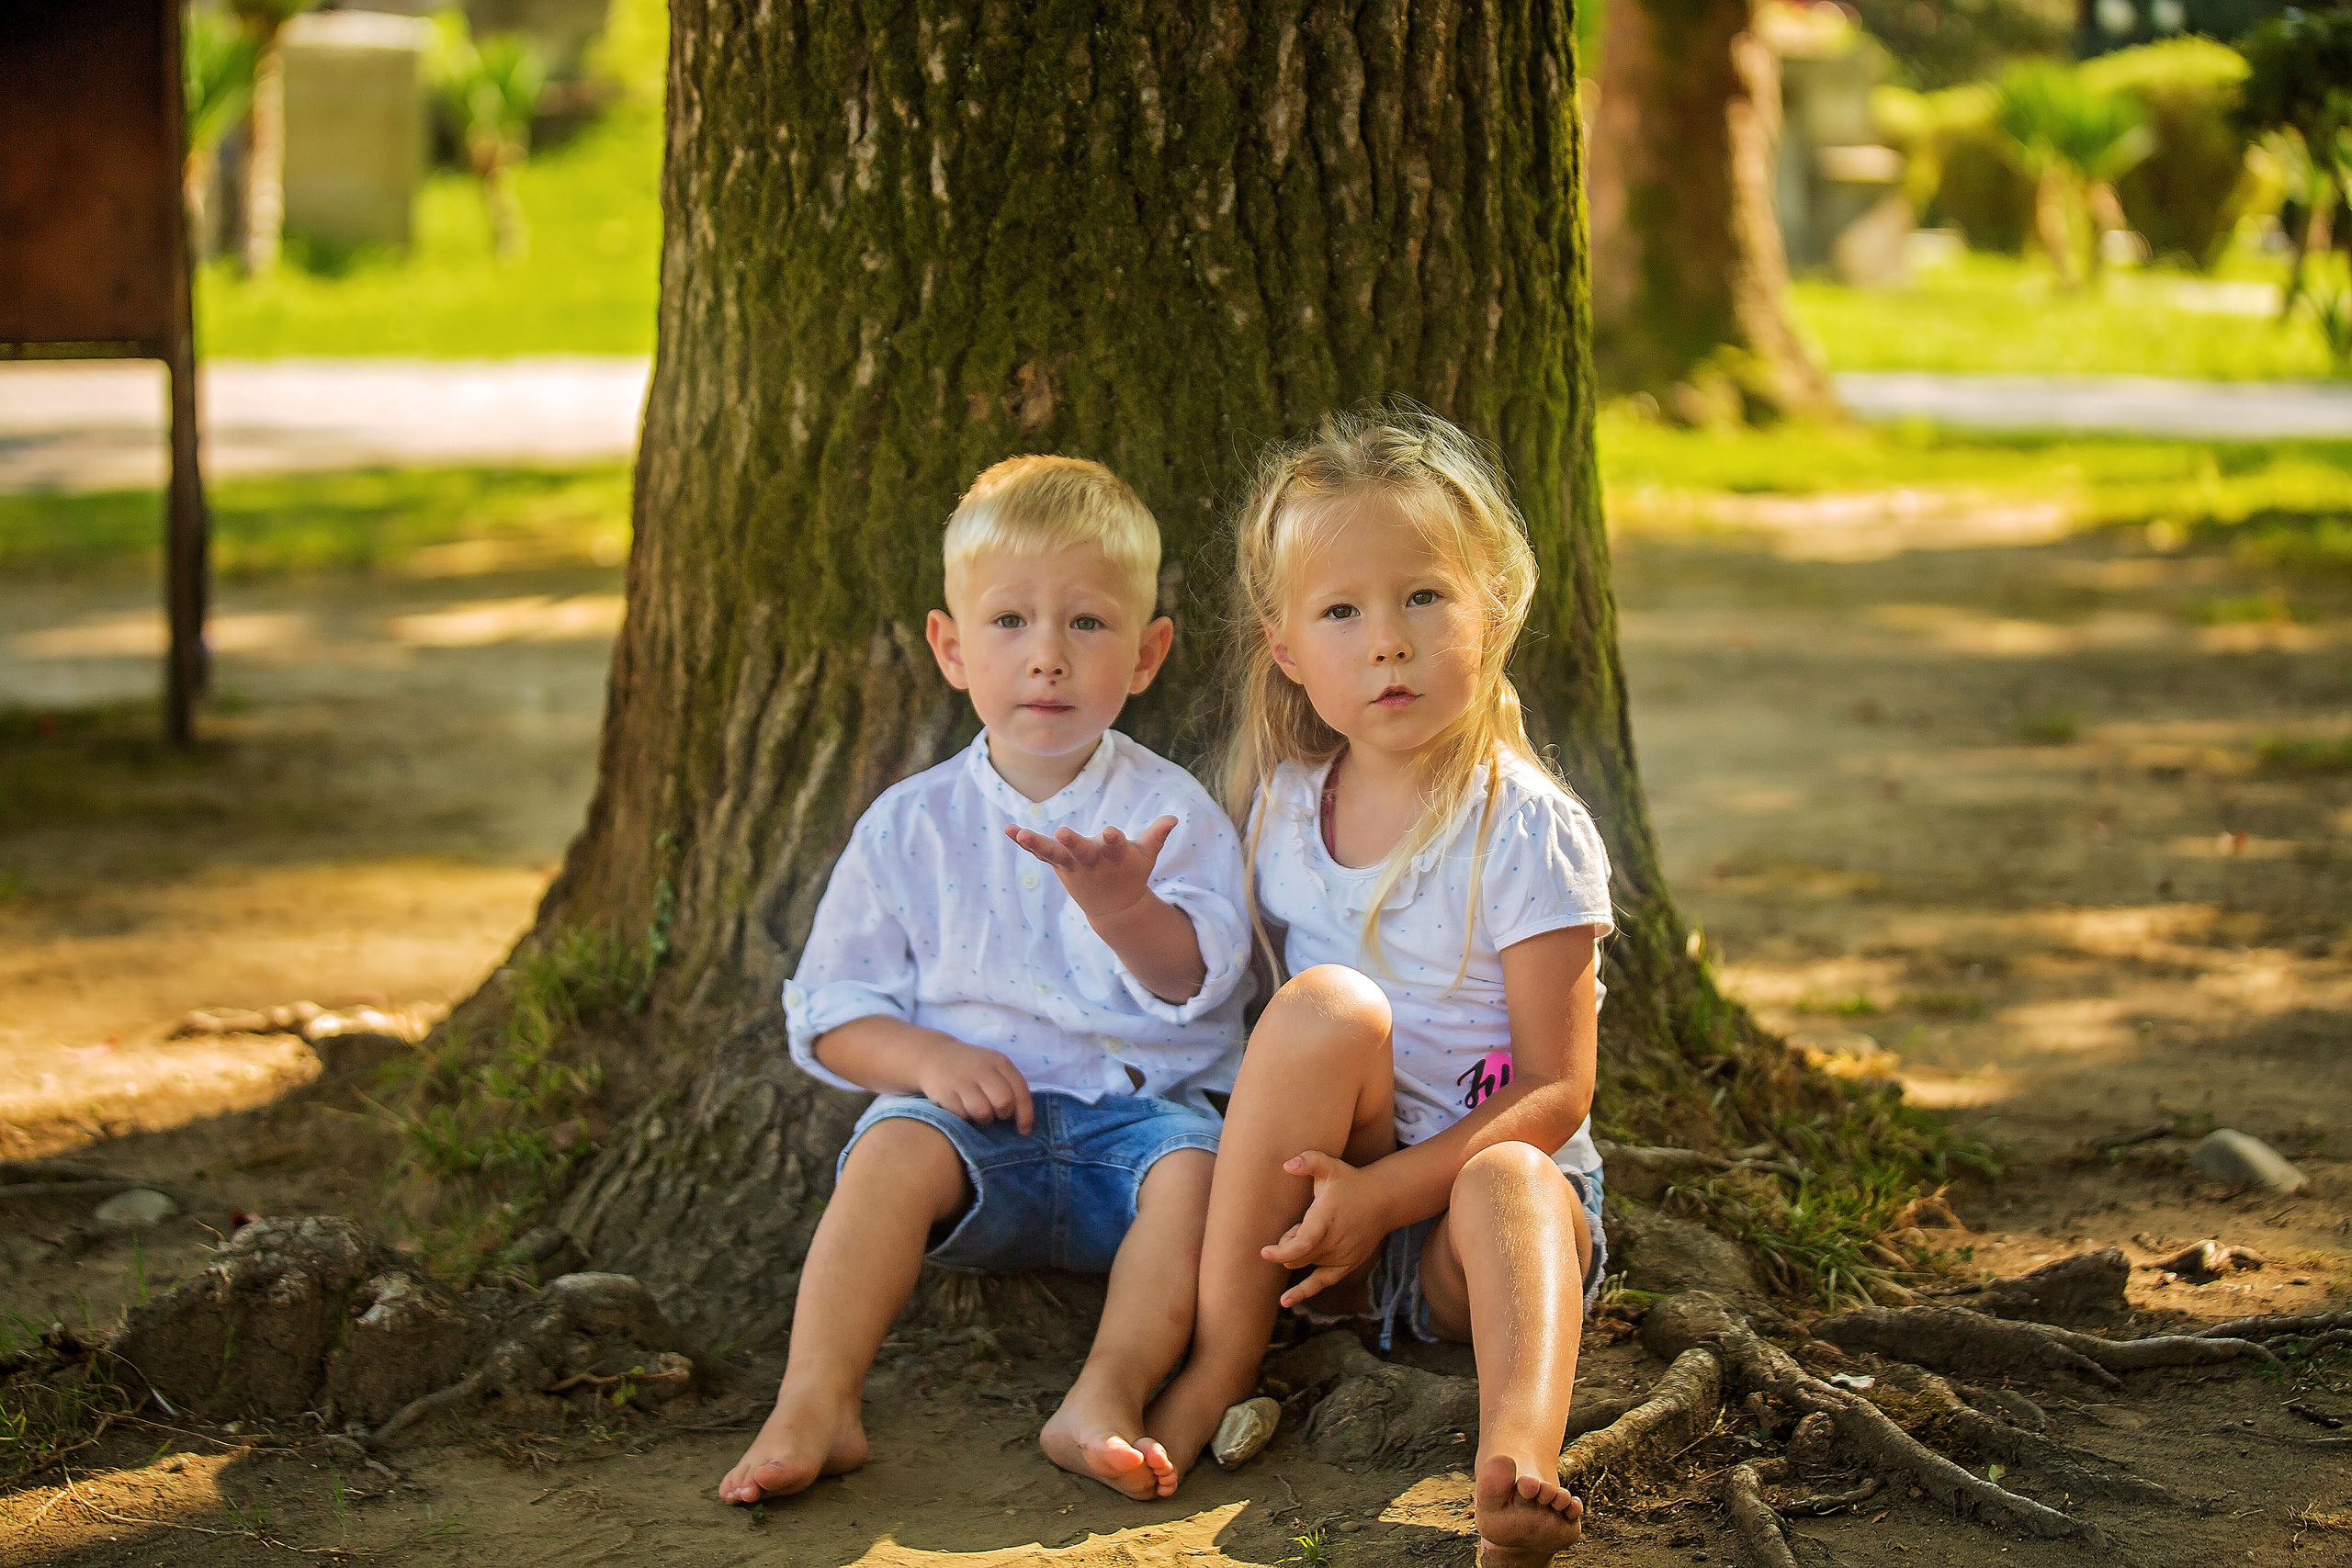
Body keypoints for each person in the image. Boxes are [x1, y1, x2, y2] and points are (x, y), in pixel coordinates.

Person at [718, 456, 1253, 1506]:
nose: (1047, 659)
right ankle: (816, 1402)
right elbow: (830, 1011)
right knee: (886, 1150)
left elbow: (1203, 986)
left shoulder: (1171, 813)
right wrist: (929, 1058)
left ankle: (1105, 1393)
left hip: (1139, 1134)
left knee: (1201, 1180)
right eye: (1009, 623)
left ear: (1147, 655)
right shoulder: (911, 824)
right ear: (951, 649)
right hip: (973, 1140)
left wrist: (1125, 910)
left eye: (1087, 626)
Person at [1146, 410, 1614, 1568]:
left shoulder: (1526, 827)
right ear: (1288, 649)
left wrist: (1387, 1196)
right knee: (1319, 1009)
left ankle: (1515, 1464)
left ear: (1492, 606)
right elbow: (1265, 1051)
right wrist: (1341, 1203)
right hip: (1328, 1227)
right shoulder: (1285, 812)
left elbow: (1557, 1092)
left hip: (1473, 1236)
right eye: (1343, 612)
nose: (1388, 644)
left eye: (1422, 599)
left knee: (1514, 1171)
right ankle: (1221, 1361)